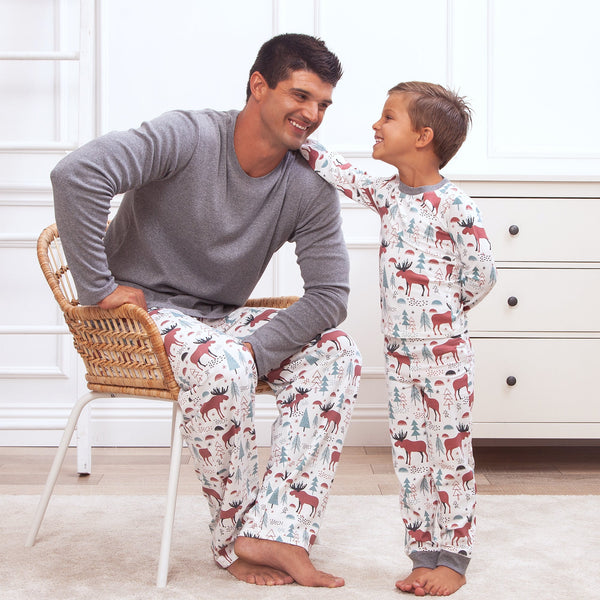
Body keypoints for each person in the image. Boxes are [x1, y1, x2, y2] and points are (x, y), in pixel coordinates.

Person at [50, 34, 362, 588]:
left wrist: (252, 348)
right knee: (224, 365)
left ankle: (279, 530)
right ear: (258, 85)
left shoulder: (311, 186)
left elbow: (329, 296)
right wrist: (98, 288)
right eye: (301, 95)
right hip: (139, 319)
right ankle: (233, 539)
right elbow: (78, 175)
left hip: (219, 324)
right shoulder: (188, 135)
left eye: (323, 104)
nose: (312, 115)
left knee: (337, 353)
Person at [301, 81, 496, 596]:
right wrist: (299, 136)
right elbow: (343, 173)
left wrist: (443, 313)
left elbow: (481, 276)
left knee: (447, 456)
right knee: (411, 458)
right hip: (401, 360)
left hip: (446, 359)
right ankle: (422, 552)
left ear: (422, 137)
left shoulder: (456, 206)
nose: (375, 125)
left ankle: (453, 556)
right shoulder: (389, 195)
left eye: (388, 117)